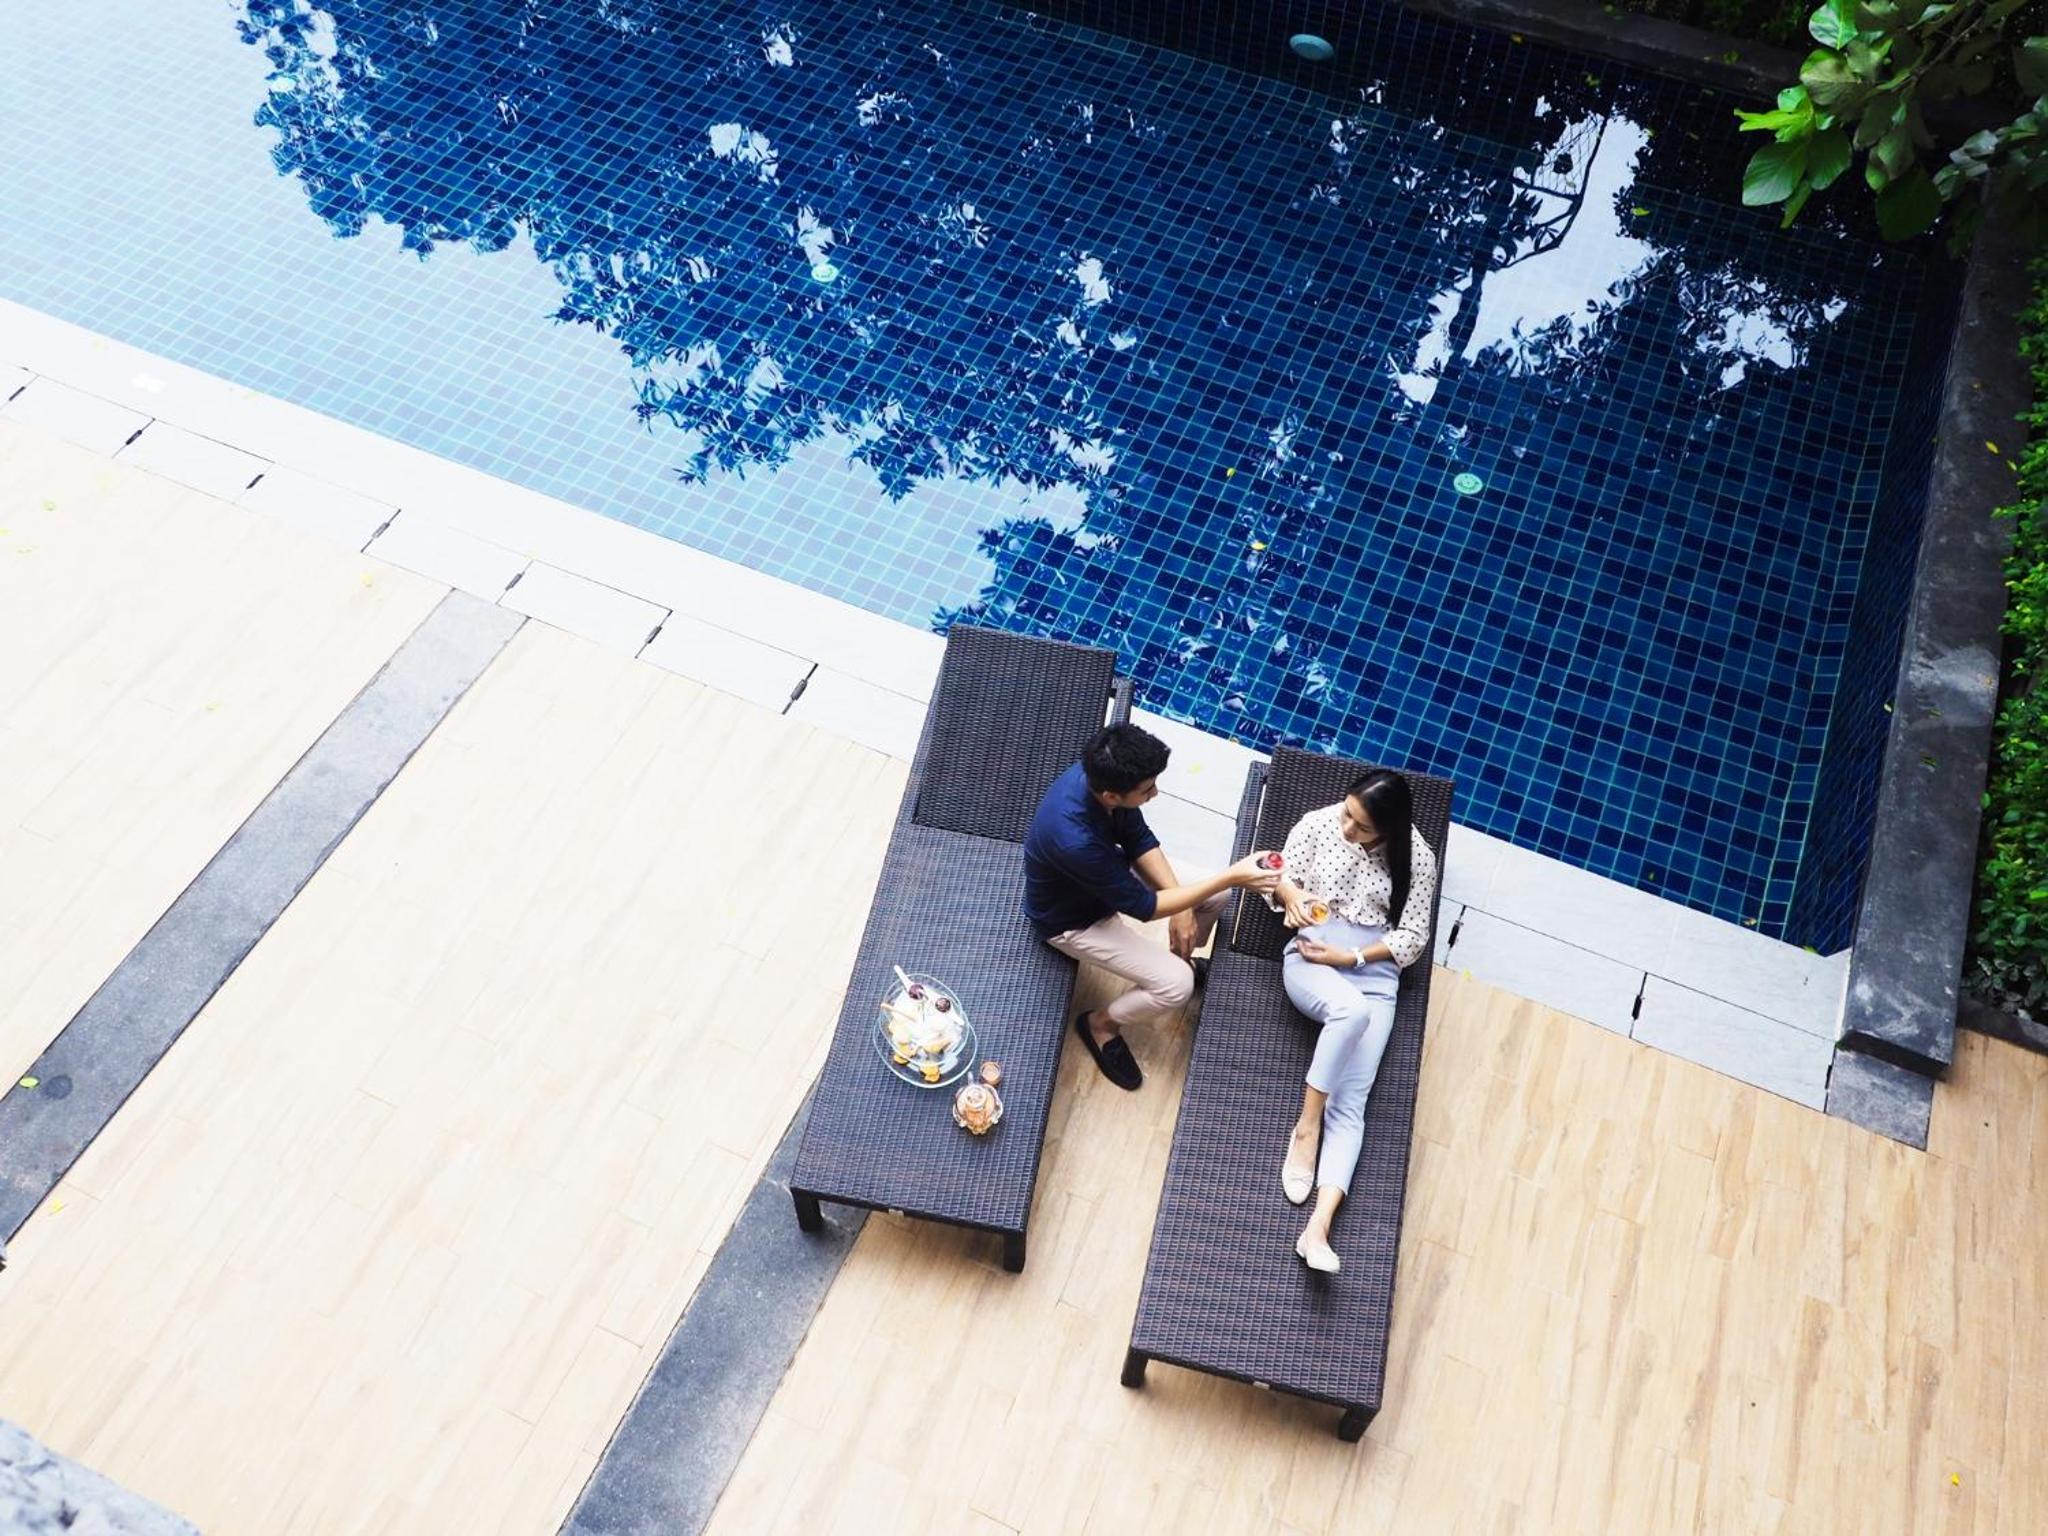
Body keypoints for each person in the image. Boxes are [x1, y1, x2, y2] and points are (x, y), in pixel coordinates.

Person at [1024, 723, 1282, 1091]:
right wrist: (1231, 876)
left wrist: (1183, 908)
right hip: (1073, 921)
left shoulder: (1100, 777)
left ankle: (1181, 955)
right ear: (1112, 795)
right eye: (1147, 790)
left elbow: (1138, 839)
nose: (1155, 793)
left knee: (1214, 898)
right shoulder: (1074, 839)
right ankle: (1101, 1025)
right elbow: (1144, 906)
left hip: (1105, 879)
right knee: (1177, 986)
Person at [1269, 768, 1438, 1274]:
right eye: (1347, 814)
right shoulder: (1318, 824)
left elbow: (1412, 937)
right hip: (1312, 958)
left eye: (1362, 827)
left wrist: (1355, 959)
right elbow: (1278, 880)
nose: (1347, 828)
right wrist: (1291, 898)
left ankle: (1318, 1229)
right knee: (1351, 1011)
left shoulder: (1418, 858)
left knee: (1352, 1102)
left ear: (1389, 829)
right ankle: (1306, 1128)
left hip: (1374, 972)